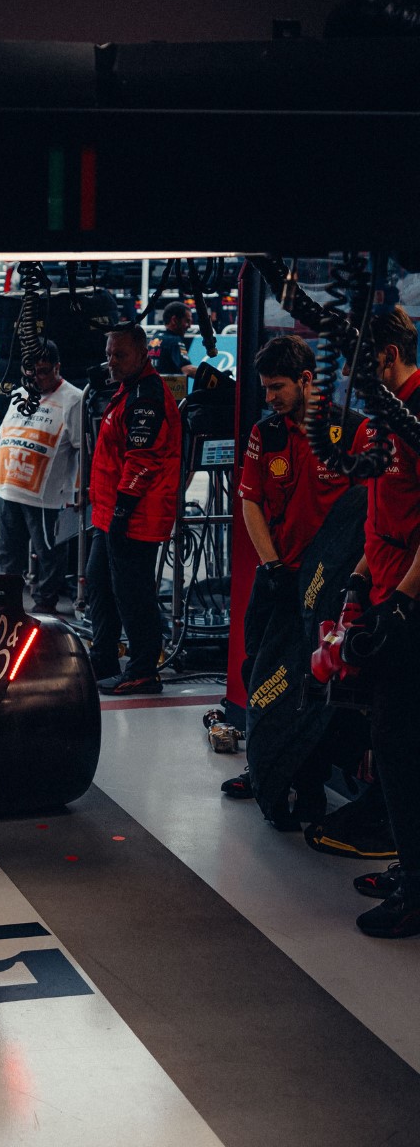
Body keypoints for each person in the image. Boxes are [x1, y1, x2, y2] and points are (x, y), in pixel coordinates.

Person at [223, 334, 354, 811]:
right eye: (265, 388)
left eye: (278, 387)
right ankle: (262, 763)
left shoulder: (349, 432)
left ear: (306, 380)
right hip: (278, 577)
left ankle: (311, 780)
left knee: (317, 684)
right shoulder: (266, 433)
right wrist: (271, 564)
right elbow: (250, 500)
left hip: (327, 587)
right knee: (259, 669)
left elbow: (365, 513)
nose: (270, 397)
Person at [338, 307, 420, 936]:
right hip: (386, 590)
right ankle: (409, 867)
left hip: (412, 609)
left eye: (366, 370)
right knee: (391, 749)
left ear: (388, 358)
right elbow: (380, 517)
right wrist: (362, 580)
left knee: (400, 746)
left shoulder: (416, 417)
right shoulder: (378, 425)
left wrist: (402, 604)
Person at [86, 321, 183, 695]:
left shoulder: (147, 395)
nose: (111, 361)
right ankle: (104, 659)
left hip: (135, 516)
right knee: (100, 585)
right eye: (109, 354)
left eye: (120, 354)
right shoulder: (128, 389)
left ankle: (143, 670)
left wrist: (123, 513)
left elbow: (142, 461)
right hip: (111, 513)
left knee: (132, 593)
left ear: (143, 353)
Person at [0, 340, 83, 614]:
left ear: (57, 367)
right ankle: (6, 601)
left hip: (47, 496)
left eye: (44, 372)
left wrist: (78, 491)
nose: (37, 378)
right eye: (32, 372)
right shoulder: (21, 392)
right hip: (8, 489)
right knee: (5, 550)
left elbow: (82, 449)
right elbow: (2, 435)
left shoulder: (73, 398)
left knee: (49, 552)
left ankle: (45, 603)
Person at [156, 301, 194, 376]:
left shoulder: (155, 337)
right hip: (167, 386)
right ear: (174, 320)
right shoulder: (174, 341)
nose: (189, 326)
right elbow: (188, 370)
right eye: (187, 321)